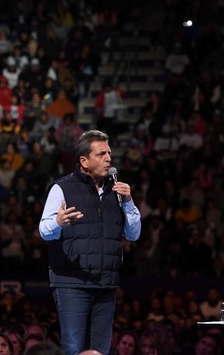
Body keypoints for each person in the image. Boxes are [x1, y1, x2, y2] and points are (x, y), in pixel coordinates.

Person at [39, 129, 142, 355]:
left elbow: (133, 235)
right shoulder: (62, 188)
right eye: (101, 154)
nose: (109, 159)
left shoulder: (117, 192)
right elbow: (45, 232)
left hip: (105, 283)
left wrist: (129, 201)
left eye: (109, 154)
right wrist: (58, 222)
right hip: (71, 283)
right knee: (74, 349)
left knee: (99, 351)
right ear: (84, 161)